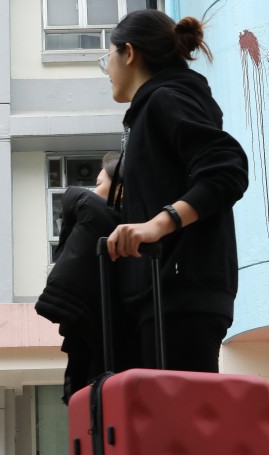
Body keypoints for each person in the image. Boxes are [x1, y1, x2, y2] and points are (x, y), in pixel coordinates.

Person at [101, 9, 249, 373]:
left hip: (181, 293)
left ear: (129, 53)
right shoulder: (152, 109)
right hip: (164, 291)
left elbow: (227, 168)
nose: (106, 70)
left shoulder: (166, 99)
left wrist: (157, 224)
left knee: (180, 425)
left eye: (107, 57)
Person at [35, 153, 123, 402]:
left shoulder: (92, 210)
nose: (92, 190)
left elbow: (74, 195)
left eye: (99, 183)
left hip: (92, 316)